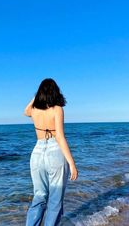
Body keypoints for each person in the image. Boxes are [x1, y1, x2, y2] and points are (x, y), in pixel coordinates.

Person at [24, 78, 78, 226]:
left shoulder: (34, 110)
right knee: (55, 200)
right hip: (55, 152)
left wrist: (36, 97)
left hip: (37, 152)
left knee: (39, 195)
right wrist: (72, 163)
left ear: (40, 92)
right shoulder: (57, 109)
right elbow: (59, 137)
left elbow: (25, 111)